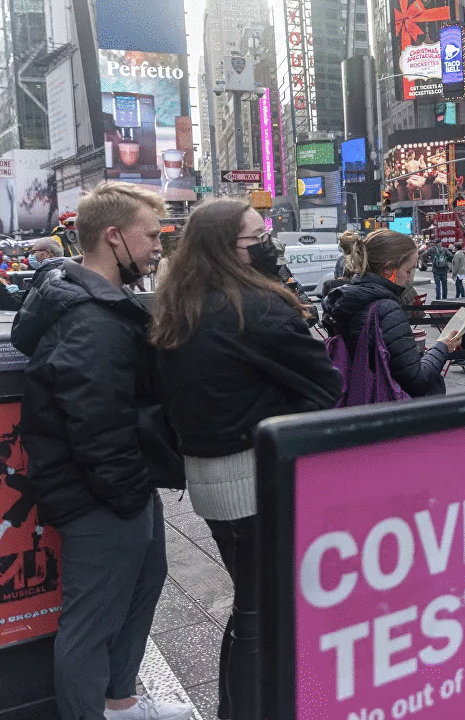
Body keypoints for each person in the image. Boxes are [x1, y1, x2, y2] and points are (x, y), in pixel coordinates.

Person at [151, 199, 342, 720]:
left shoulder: (179, 301)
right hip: (254, 477)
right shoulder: (253, 307)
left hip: (210, 479)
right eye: (254, 239)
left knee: (251, 606)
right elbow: (326, 386)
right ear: (223, 247)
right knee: (261, 611)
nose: (267, 246)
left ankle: (238, 708)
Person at [9, 182, 193, 720]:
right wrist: (129, 491)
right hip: (100, 495)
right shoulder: (89, 317)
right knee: (91, 621)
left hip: (118, 487)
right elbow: (95, 422)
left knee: (143, 583)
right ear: (113, 237)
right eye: (151, 235)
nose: (160, 246)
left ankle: (120, 701)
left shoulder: (95, 304)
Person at [323, 230, 463, 397]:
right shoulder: (387, 309)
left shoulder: (349, 299)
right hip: (392, 407)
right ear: (388, 270)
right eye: (408, 270)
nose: (410, 278)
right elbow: (417, 380)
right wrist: (443, 347)